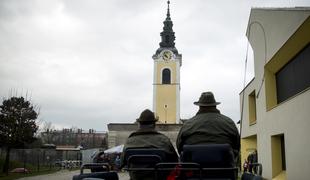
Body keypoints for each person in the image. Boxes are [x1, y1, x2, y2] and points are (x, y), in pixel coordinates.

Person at [176, 91, 240, 162]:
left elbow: (179, 147)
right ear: (215, 105)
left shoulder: (187, 124)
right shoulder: (229, 122)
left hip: (193, 170)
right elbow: (236, 147)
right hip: (225, 170)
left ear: (199, 106)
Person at [121, 109, 179, 180]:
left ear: (139, 124)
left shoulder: (129, 140)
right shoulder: (164, 140)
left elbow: (122, 163)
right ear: (154, 124)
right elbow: (175, 161)